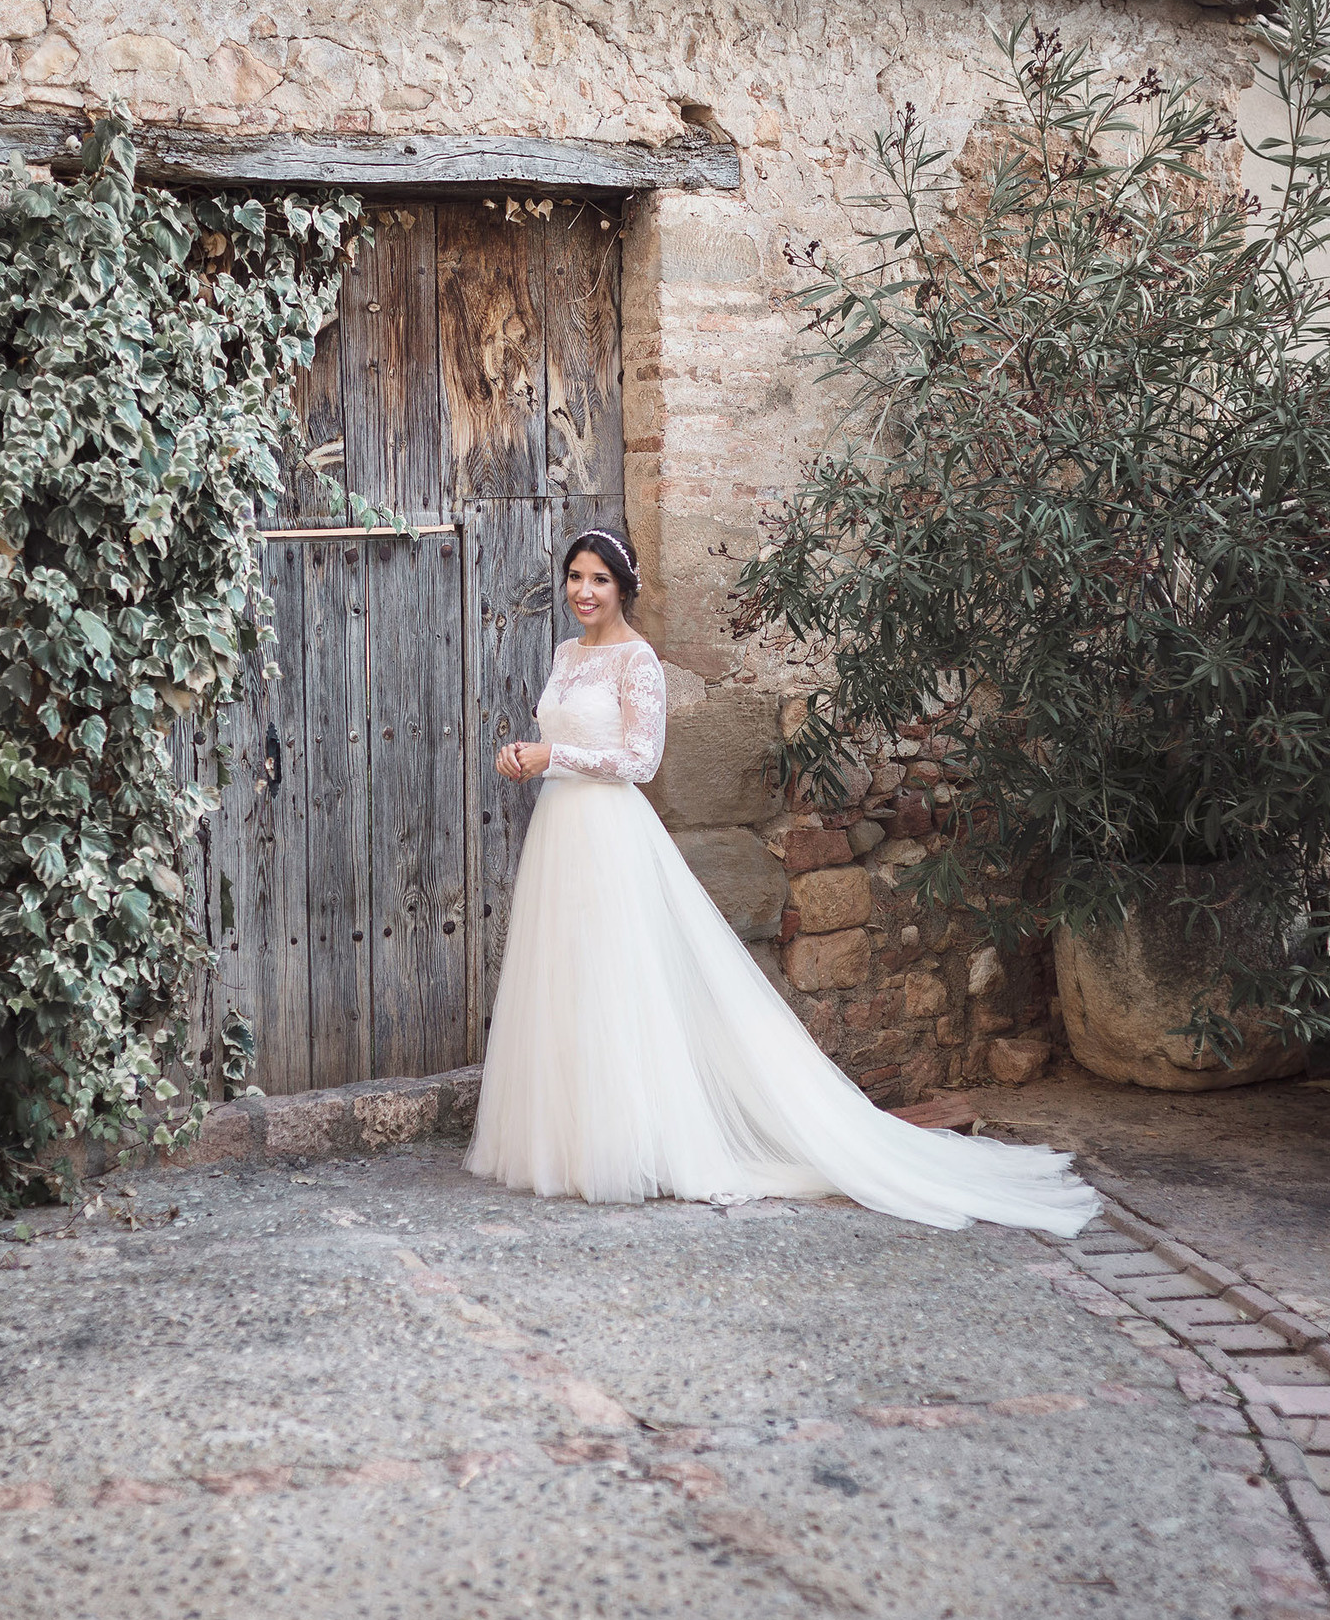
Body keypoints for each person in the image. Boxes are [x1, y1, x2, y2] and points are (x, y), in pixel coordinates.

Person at [468, 529, 1103, 1235]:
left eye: (599, 581)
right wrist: (528, 761)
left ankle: (629, 1145)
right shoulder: (564, 654)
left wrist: (556, 751)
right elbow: (571, 743)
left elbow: (640, 761)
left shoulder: (637, 660)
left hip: (608, 837)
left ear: (624, 589)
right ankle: (568, 1140)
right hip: (559, 829)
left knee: (618, 983)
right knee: (564, 979)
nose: (584, 592)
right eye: (575, 577)